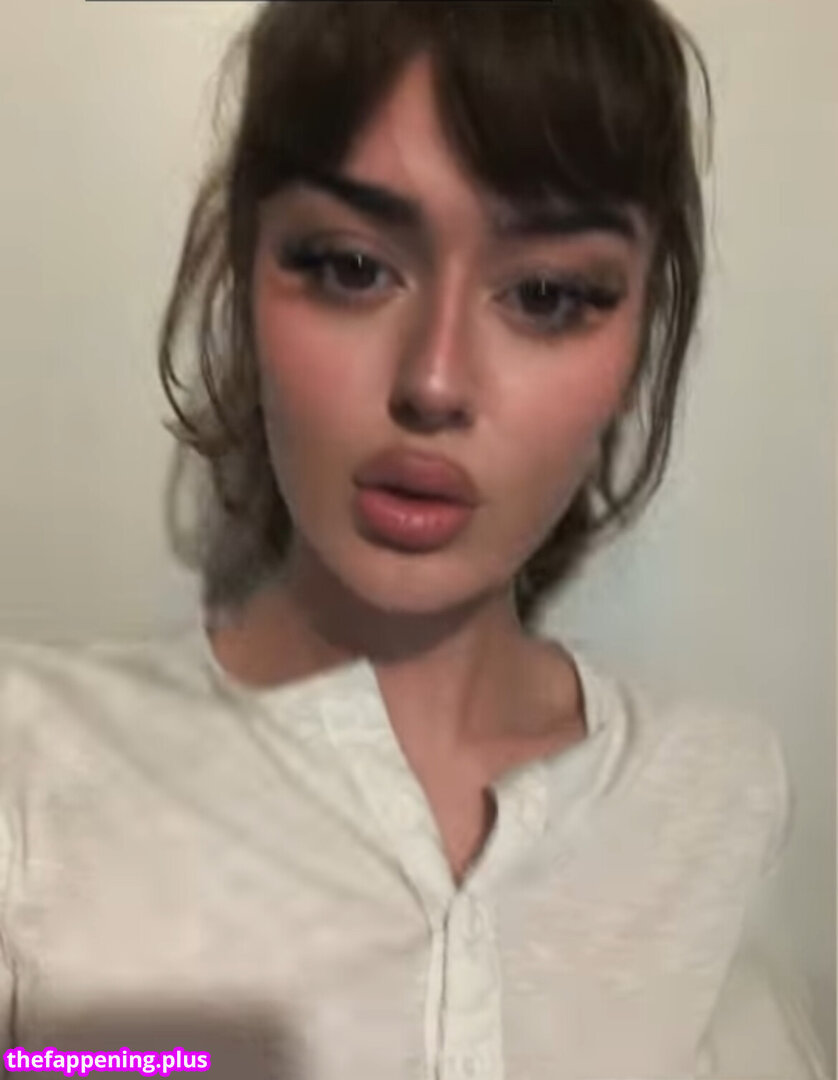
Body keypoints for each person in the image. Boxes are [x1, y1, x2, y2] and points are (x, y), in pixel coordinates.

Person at [0, 1, 830, 1077]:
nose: (434, 381)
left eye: (546, 294)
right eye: (350, 267)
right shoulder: (30, 772)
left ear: (639, 339)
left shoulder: (713, 799)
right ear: (244, 273)